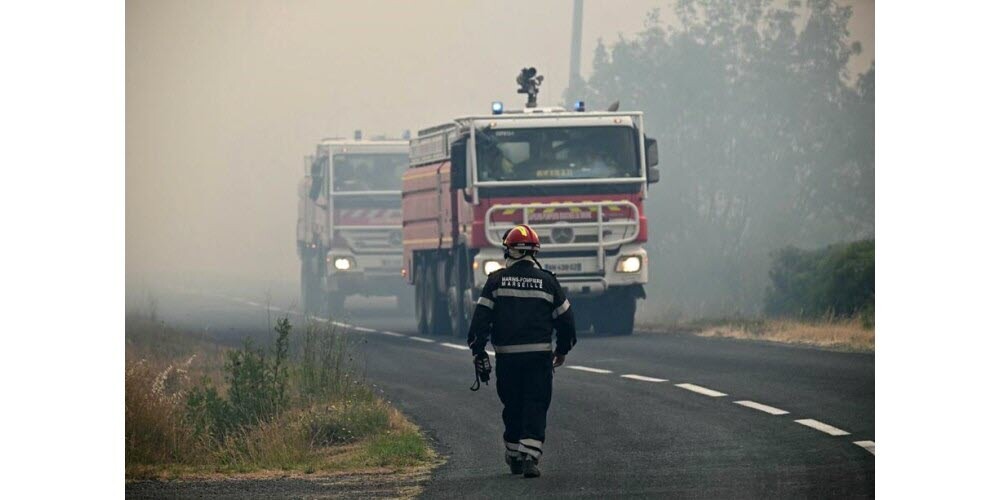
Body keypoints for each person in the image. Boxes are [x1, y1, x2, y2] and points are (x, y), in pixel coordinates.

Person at [467, 224, 577, 478]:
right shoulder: (548, 282)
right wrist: (561, 350)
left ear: (509, 251)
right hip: (539, 358)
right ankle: (530, 457)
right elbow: (566, 321)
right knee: (536, 404)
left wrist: (478, 351)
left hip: (507, 359)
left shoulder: (495, 281)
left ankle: (514, 454)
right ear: (534, 252)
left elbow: (480, 321)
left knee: (513, 404)